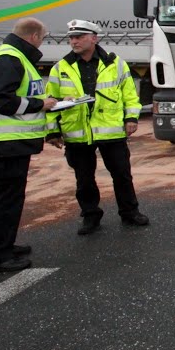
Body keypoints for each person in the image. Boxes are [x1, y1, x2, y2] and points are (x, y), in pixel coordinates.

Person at [45, 19, 150, 235]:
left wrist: (131, 119)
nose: (74, 41)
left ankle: (130, 212)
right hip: (78, 133)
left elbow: (130, 94)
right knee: (84, 179)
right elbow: (50, 101)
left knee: (122, 174)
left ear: (94, 38)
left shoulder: (115, 63)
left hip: (110, 130)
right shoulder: (61, 67)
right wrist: (52, 131)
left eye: (79, 37)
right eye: (71, 37)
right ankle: (90, 216)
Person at [0, 17, 52, 273]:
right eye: (41, 39)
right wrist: (39, 104)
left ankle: (3, 246)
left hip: (11, 141)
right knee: (5, 200)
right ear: (33, 37)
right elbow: (2, 100)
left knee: (7, 197)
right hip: (7, 140)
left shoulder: (12, 56)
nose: (41, 43)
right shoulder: (11, 59)